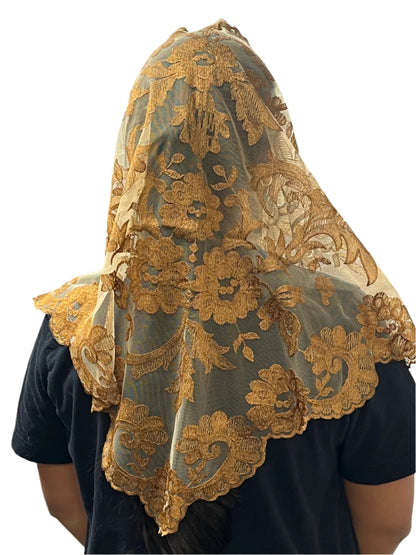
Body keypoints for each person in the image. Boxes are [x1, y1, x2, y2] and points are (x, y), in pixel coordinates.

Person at [12, 19, 415, 554]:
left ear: (138, 146)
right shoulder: (349, 326)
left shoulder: (72, 326)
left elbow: (64, 501)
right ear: (266, 147)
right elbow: (387, 523)